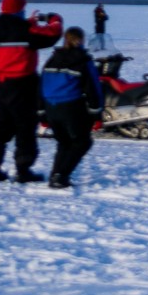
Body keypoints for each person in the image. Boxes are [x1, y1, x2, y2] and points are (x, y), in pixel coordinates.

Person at [0, 0, 63, 183]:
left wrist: (29, 23)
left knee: (2, 128)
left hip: (1, 84)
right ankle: (23, 171)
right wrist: (54, 19)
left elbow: (17, 32)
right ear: (19, 10)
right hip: (22, 85)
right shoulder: (25, 29)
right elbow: (52, 35)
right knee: (25, 128)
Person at [38, 26, 104, 189]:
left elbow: (41, 85)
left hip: (51, 107)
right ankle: (61, 175)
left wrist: (41, 113)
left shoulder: (52, 59)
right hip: (71, 108)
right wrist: (97, 114)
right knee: (82, 142)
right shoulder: (84, 61)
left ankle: (56, 175)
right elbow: (93, 89)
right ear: (81, 41)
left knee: (64, 143)